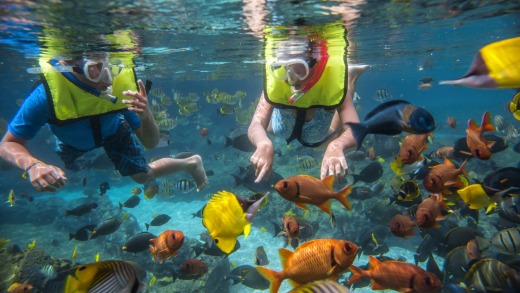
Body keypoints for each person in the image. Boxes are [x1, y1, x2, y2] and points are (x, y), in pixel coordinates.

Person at [0, 46, 208, 193]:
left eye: (112, 65)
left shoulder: (119, 87)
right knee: (66, 177)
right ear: (68, 64)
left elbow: (151, 143)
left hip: (114, 131)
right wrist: (33, 165)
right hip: (70, 142)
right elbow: (7, 144)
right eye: (94, 68)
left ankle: (190, 163)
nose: (107, 78)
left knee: (142, 176)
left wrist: (146, 116)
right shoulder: (46, 96)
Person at [248, 21, 368, 183]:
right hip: (279, 128)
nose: (291, 79)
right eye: (284, 69)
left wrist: (337, 146)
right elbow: (256, 123)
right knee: (271, 128)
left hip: (319, 133)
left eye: (300, 70)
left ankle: (350, 77)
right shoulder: (276, 85)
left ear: (317, 63)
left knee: (331, 136)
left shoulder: (330, 82)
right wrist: (262, 143)